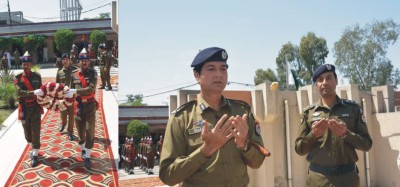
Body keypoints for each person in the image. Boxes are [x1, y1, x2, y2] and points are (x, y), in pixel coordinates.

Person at [159, 47, 267, 187]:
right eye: (211, 69)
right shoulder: (182, 118)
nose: (219, 75)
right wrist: (206, 150)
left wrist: (243, 144)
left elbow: (258, 162)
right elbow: (168, 176)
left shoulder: (242, 112)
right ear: (197, 75)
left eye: (223, 69)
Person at [294, 64, 373, 187]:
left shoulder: (353, 109)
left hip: (347, 178)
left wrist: (346, 134)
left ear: (336, 81)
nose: (324, 82)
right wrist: (313, 135)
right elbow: (299, 149)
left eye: (329, 78)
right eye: (320, 80)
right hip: (318, 179)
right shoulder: (308, 112)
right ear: (316, 86)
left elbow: (366, 144)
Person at [65, 48, 98, 169]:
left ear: (89, 62)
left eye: (86, 60)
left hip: (90, 106)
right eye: (82, 60)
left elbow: (90, 89)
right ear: (79, 62)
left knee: (90, 130)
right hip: (78, 106)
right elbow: (69, 90)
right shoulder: (73, 74)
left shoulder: (93, 73)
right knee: (80, 132)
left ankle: (88, 156)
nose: (84, 62)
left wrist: (76, 91)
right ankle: (83, 149)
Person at [14, 51, 44, 167]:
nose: (25, 65)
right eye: (23, 64)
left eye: (27, 63)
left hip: (35, 107)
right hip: (24, 109)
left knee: (36, 130)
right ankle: (32, 146)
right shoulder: (17, 78)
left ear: (31, 64)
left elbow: (41, 92)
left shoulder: (37, 77)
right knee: (27, 132)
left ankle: (35, 154)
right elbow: (19, 92)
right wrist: (33, 92)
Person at [56, 53, 77, 141]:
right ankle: (63, 123)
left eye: (67, 59)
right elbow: (56, 84)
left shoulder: (75, 71)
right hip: (62, 97)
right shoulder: (59, 72)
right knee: (63, 114)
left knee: (71, 116)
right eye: (63, 59)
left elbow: (77, 82)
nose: (65, 61)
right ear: (62, 61)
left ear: (69, 60)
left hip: (71, 97)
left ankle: (70, 132)